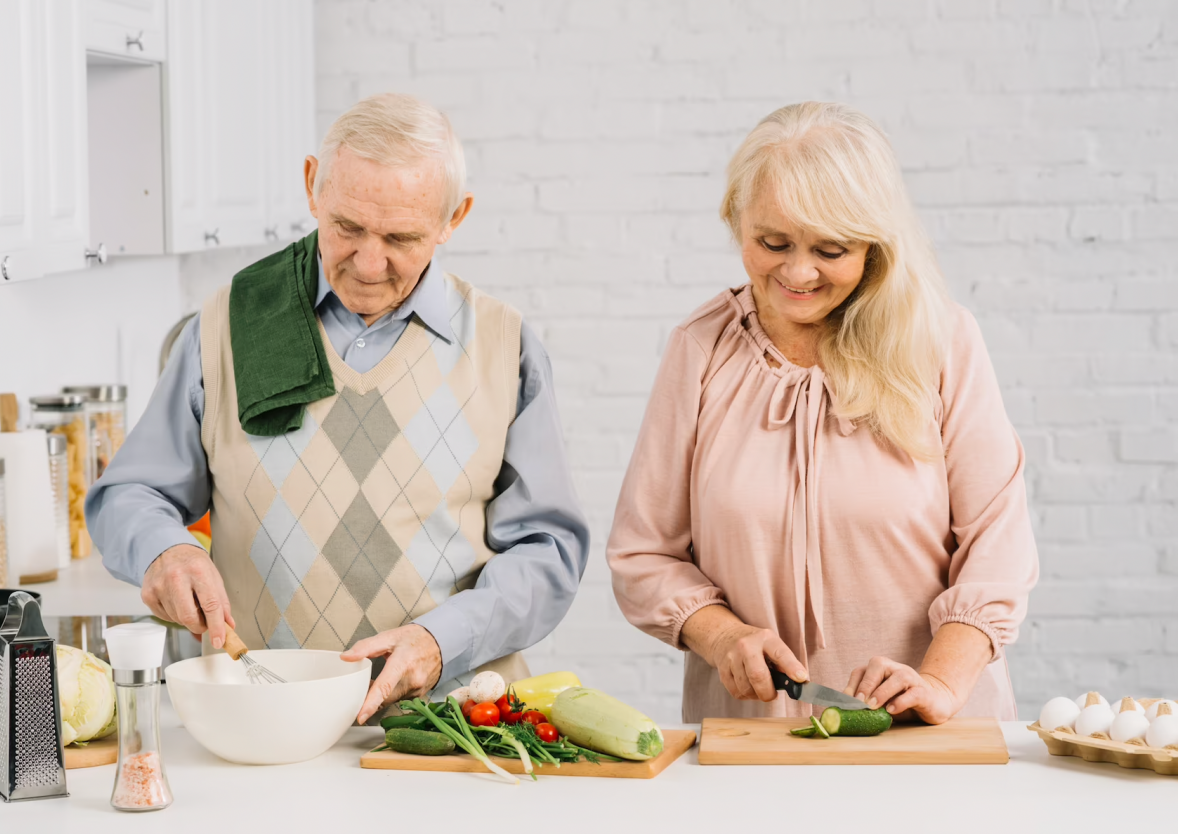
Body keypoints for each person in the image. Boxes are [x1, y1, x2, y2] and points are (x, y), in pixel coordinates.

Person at [88, 93, 588, 724]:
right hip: (260, 720)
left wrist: (442, 640)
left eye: (401, 237)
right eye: (347, 227)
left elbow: (549, 550)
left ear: (452, 217)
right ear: (311, 187)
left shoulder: (504, 344)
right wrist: (166, 550)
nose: (369, 262)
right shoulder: (226, 327)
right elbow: (130, 493)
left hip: (452, 726)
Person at [607, 102, 1039, 724]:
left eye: (831, 249)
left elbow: (998, 544)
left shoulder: (942, 342)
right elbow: (643, 554)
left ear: (875, 244)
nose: (798, 272)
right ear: (736, 221)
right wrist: (722, 635)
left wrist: (939, 682)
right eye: (772, 242)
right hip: (758, 737)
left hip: (931, 732)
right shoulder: (700, 349)